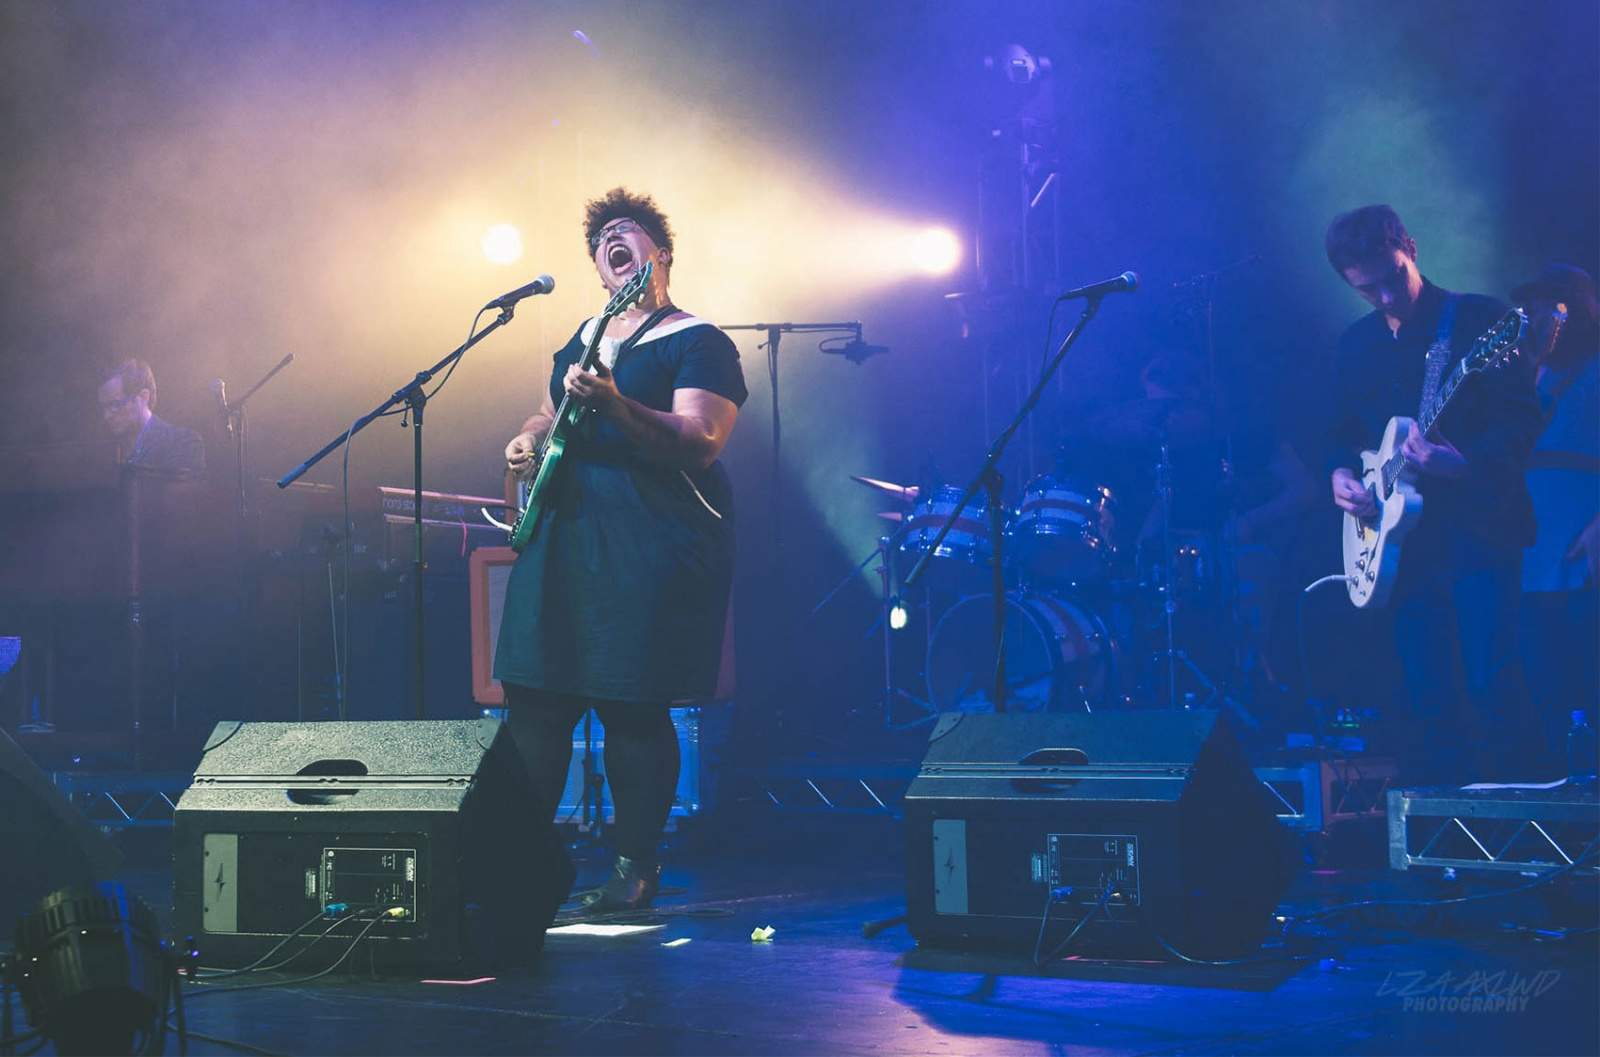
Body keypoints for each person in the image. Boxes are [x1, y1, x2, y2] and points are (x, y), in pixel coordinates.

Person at [496, 188, 747, 915]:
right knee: (536, 702)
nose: (611, 239)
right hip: (565, 539)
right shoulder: (585, 334)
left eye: (625, 230)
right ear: (602, 271)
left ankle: (636, 867)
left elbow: (701, 440)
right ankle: (519, 864)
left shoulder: (698, 340)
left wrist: (615, 403)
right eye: (600, 237)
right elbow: (551, 411)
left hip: (648, 541)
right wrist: (530, 437)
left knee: (631, 706)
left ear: (656, 253)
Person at [1325, 205, 1543, 783]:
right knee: (1428, 693)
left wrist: (1463, 465)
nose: (1387, 298)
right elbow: (1342, 436)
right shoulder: (1355, 346)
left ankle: (1518, 832)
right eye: (1368, 290)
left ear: (1412, 249)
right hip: (1404, 551)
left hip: (1478, 533)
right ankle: (1445, 839)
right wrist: (1342, 478)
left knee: (1491, 679)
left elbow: (1523, 421)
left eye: (1393, 277)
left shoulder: (1479, 321)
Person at [1512, 264, 1599, 775]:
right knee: (1545, 681)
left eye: (1555, 304)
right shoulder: (1529, 374)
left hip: (1582, 549)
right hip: (1532, 554)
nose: (1545, 315)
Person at [97, 358, 205, 476]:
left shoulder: (182, 443)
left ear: (143, 397)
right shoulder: (105, 452)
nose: (106, 416)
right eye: (104, 408)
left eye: (115, 405)